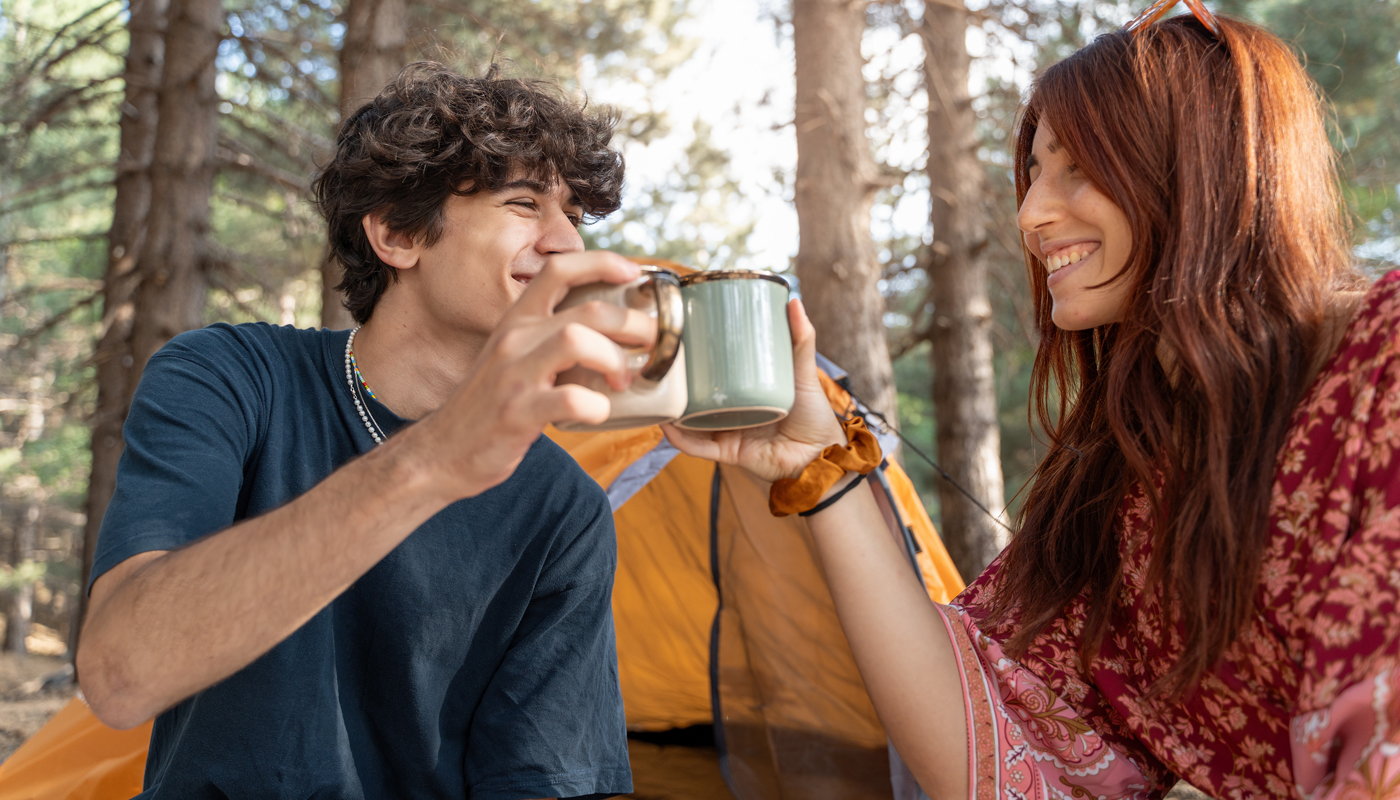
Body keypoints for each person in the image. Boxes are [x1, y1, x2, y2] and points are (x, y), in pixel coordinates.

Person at [664, 6, 1396, 799]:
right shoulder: (1127, 482)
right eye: (1037, 172)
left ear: (1203, 167)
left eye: (1078, 166)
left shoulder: (1382, 361)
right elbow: (996, 744)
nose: (1030, 214)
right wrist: (820, 469)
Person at [75, 62, 648, 800]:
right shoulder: (231, 377)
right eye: (524, 202)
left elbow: (541, 781)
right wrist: (435, 457)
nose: (567, 242)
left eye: (574, 213)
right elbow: (121, 674)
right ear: (398, 233)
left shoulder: (562, 507)